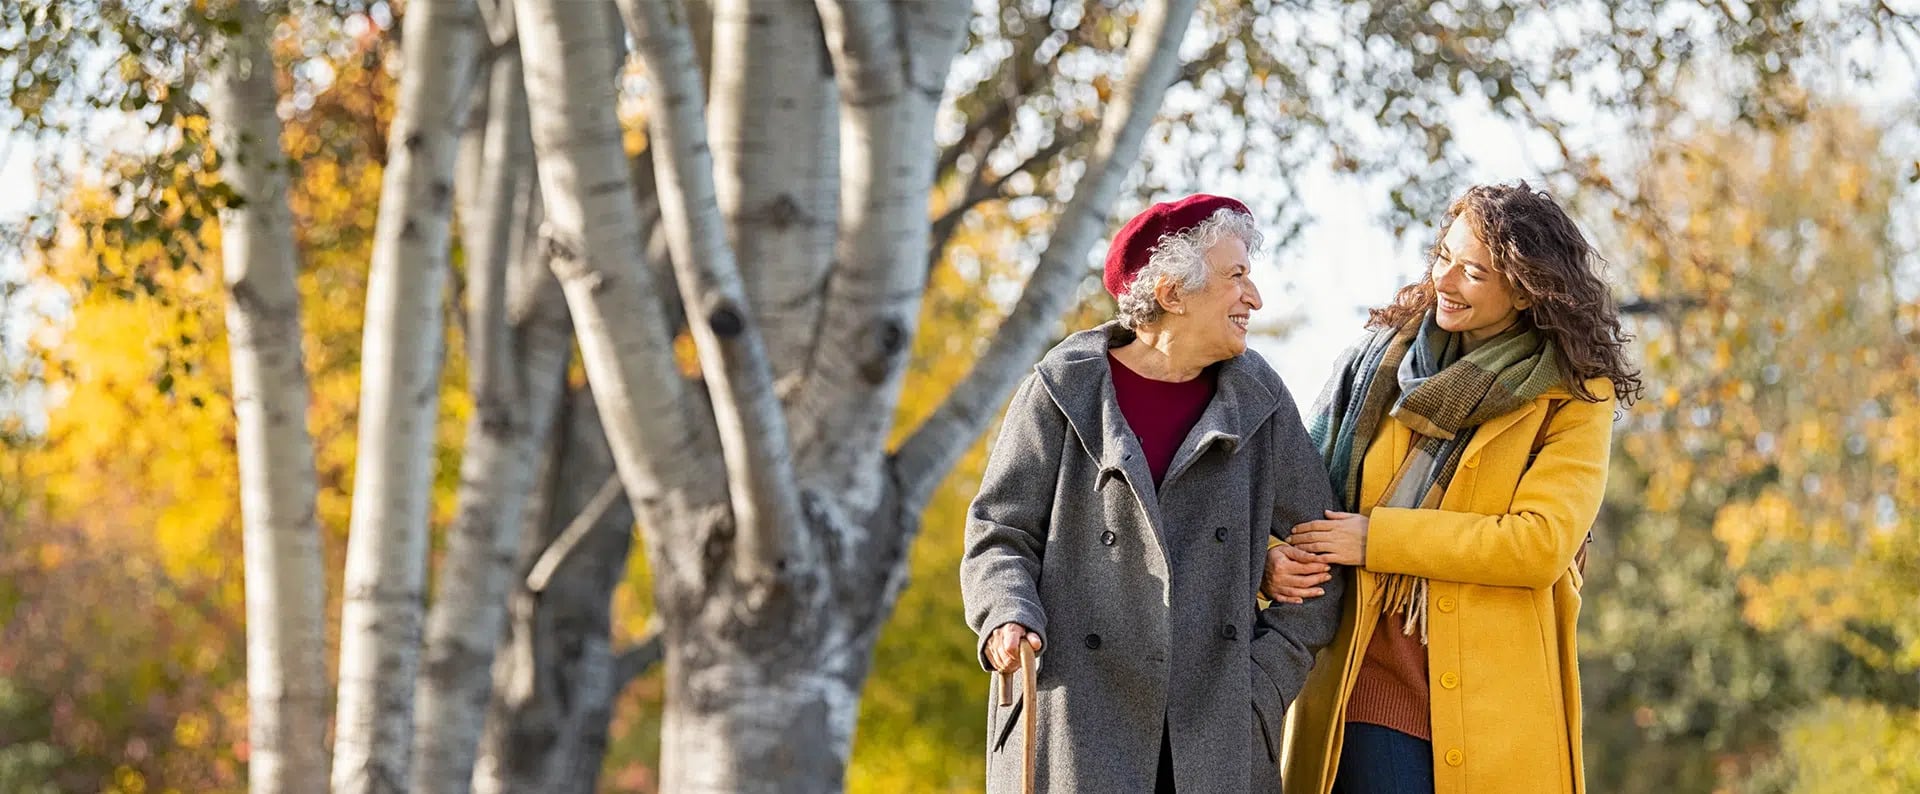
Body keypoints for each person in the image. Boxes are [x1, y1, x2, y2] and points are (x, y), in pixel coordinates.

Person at [1265, 181, 1643, 794]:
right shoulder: (1376, 366)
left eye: (1473, 272)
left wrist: (1378, 539)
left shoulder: (1573, 396)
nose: (1445, 280)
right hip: (1364, 680)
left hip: (1498, 705)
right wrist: (1270, 561)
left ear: (1524, 289)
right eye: (1444, 256)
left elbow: (1539, 545)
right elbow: (1287, 493)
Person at [960, 194, 1346, 793]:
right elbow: (999, 535)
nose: (1255, 298)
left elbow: (1323, 556)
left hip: (1217, 738)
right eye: (1236, 276)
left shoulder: (1261, 401)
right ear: (1170, 293)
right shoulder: (1062, 391)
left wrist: (1260, 687)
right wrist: (1006, 615)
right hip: (1075, 723)